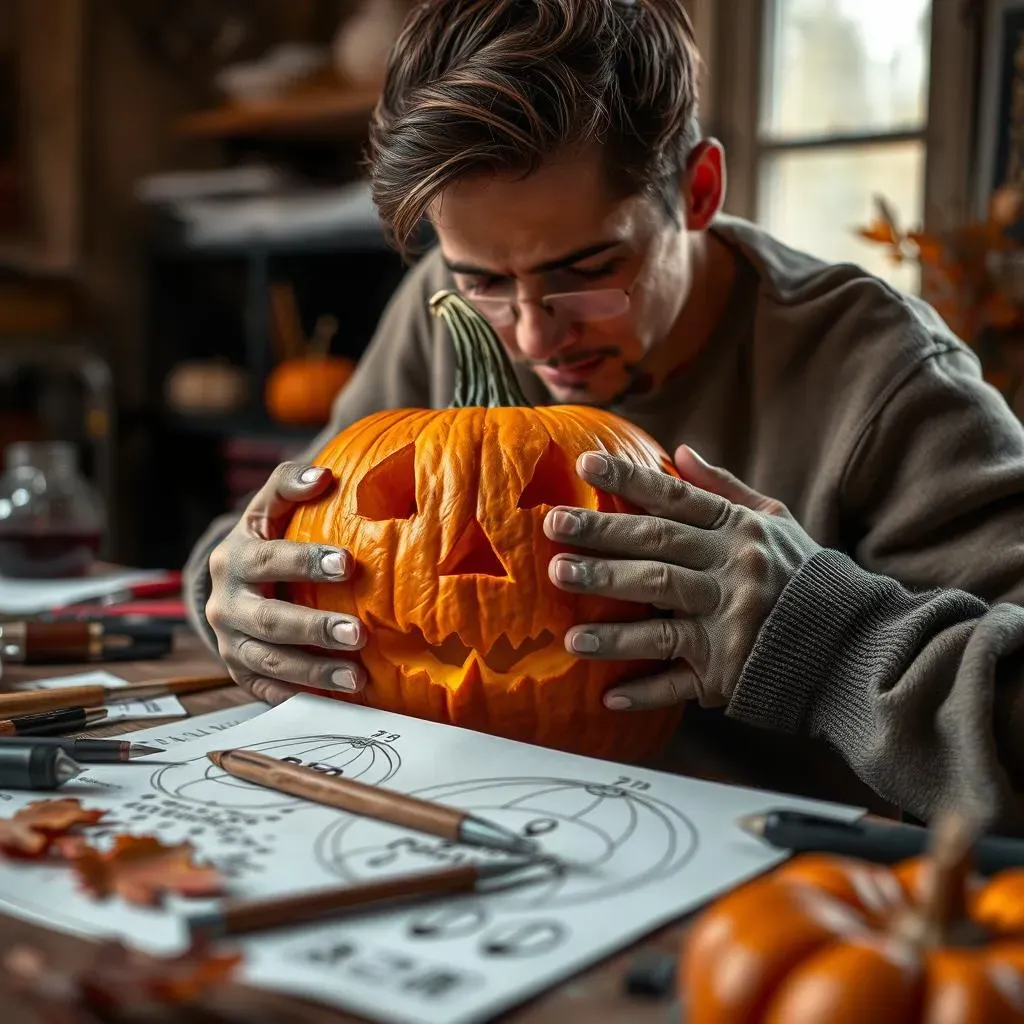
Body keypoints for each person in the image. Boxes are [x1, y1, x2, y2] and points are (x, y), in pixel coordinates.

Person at [183, 0, 1024, 832]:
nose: (533, 333)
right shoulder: (448, 310)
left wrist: (826, 642)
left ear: (698, 191)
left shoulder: (882, 373)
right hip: (455, 820)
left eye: (587, 269)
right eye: (483, 279)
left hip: (774, 880)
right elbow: (274, 541)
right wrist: (234, 593)